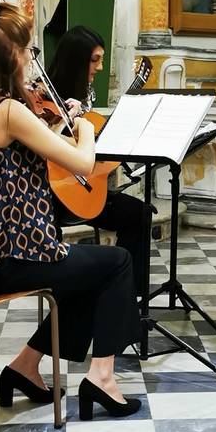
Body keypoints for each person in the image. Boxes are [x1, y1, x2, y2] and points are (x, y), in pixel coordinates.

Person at [0, 3, 141, 419]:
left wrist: (56, 124)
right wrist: (85, 126)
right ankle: (102, 376)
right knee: (117, 262)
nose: (30, 59)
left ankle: (25, 367)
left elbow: (25, 151)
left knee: (84, 274)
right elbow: (83, 163)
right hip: (10, 258)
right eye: (27, 50)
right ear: (10, 56)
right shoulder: (11, 111)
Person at [46, 25, 151, 291]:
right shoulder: (45, 95)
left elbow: (91, 150)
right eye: (95, 60)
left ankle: (129, 299)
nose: (101, 67)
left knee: (140, 214)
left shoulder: (86, 94)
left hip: (82, 186)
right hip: (50, 194)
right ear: (76, 60)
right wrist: (80, 134)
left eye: (101, 59)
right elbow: (46, 141)